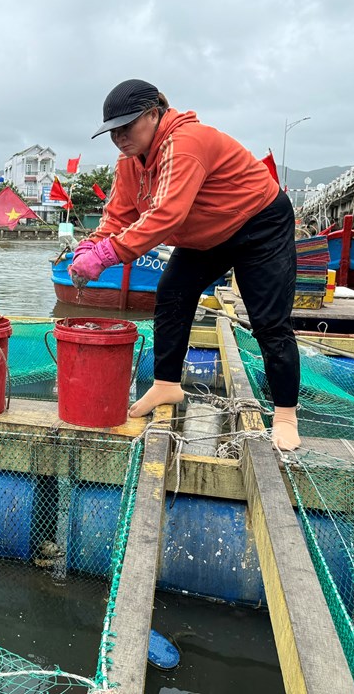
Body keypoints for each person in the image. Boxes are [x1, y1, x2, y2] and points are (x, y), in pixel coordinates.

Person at [70, 79, 301, 450]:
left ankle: (287, 413)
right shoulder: (128, 162)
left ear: (153, 114)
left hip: (260, 222)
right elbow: (116, 218)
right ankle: (166, 384)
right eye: (113, 132)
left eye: (127, 127)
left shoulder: (186, 142)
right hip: (208, 232)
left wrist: (107, 255)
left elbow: (165, 215)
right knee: (172, 293)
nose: (120, 138)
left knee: (268, 322)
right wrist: (89, 248)